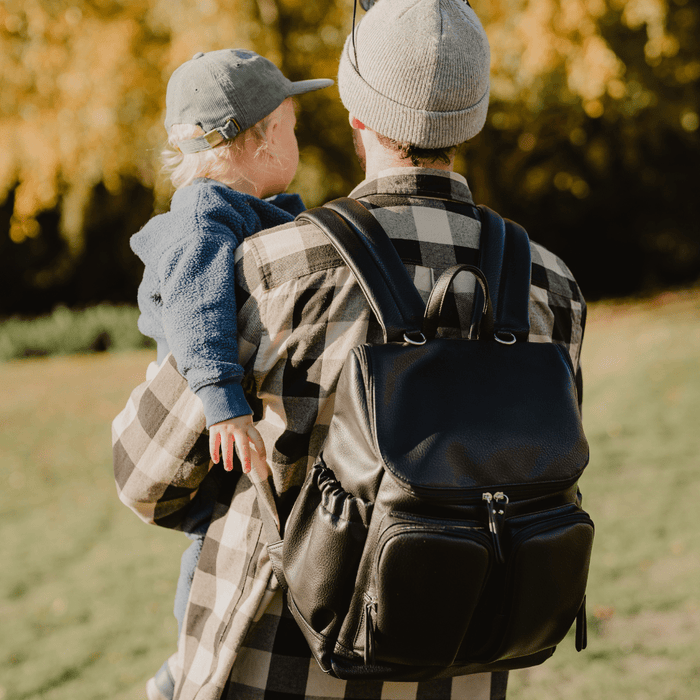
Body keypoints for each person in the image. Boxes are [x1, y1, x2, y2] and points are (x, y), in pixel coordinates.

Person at [113, 1, 586, 699]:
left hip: (277, 667)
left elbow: (145, 476)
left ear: (357, 118)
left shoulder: (276, 269)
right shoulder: (552, 285)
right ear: (475, 117)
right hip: (460, 665)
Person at [128, 48, 333, 700]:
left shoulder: (232, 210)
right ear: (262, 137)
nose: (296, 140)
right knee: (215, 543)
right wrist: (222, 400)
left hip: (237, 410)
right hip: (214, 421)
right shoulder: (202, 216)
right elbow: (194, 305)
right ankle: (192, 670)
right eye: (293, 128)